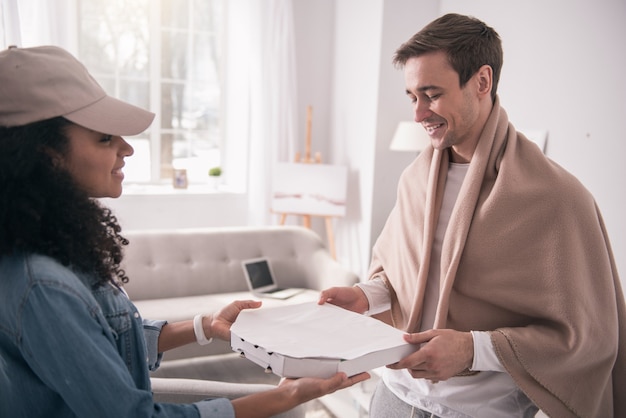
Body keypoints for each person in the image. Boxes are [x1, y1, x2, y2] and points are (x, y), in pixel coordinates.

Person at [0, 45, 369, 417]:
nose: (127, 148)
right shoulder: (43, 285)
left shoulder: (50, 241)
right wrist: (287, 397)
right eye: (105, 138)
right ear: (47, 153)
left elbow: (110, 341)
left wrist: (206, 325)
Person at [319, 13, 625, 418]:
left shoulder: (558, 199)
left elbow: (588, 336)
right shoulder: (415, 178)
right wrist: (365, 295)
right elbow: (406, 276)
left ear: (482, 82)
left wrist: (472, 349)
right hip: (391, 397)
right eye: (412, 96)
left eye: (431, 94)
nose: (418, 114)